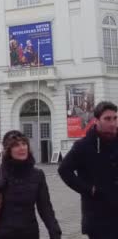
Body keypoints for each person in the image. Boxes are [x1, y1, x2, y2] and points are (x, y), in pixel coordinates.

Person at [0, 130, 61, 239]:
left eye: (24, 144)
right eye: (16, 145)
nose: (22, 148)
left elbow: (45, 207)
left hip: (28, 233)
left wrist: (54, 231)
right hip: (0, 234)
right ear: (8, 150)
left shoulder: (37, 175)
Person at [58, 101, 118, 239]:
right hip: (99, 216)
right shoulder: (84, 145)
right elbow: (64, 170)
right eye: (107, 119)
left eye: (115, 118)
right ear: (96, 120)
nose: (113, 122)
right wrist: (89, 189)